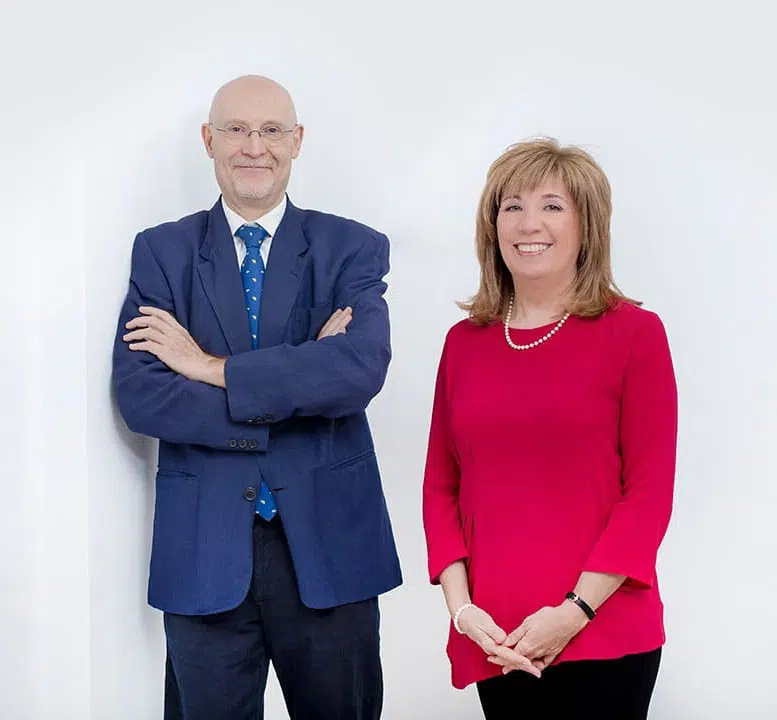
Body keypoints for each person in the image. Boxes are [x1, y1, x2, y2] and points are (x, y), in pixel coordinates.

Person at [112, 74, 402, 720]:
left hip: (330, 548)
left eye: (272, 130)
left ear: (296, 141)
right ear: (208, 139)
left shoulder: (350, 247)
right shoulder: (162, 252)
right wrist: (300, 383)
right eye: (236, 129)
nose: (254, 146)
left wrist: (204, 367)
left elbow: (358, 372)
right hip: (204, 551)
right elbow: (144, 397)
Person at [422, 138, 677, 719]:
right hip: (496, 636)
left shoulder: (635, 335)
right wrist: (463, 613)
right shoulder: (464, 344)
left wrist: (573, 612)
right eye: (512, 206)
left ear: (588, 225)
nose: (528, 223)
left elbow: (648, 496)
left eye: (552, 206)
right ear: (493, 227)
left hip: (602, 629)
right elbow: (441, 487)